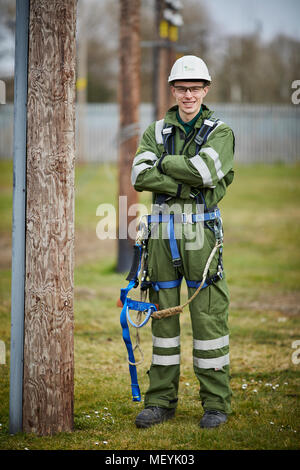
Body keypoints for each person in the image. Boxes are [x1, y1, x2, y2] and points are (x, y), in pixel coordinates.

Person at [131, 55, 235, 429]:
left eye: (194, 88)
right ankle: (160, 402)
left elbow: (206, 171)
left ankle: (216, 405)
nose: (188, 95)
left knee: (208, 321)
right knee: (162, 320)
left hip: (202, 236)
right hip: (160, 236)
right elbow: (139, 174)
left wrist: (166, 166)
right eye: (181, 88)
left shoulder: (220, 132)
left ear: (205, 90)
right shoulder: (156, 130)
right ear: (172, 90)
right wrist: (181, 181)